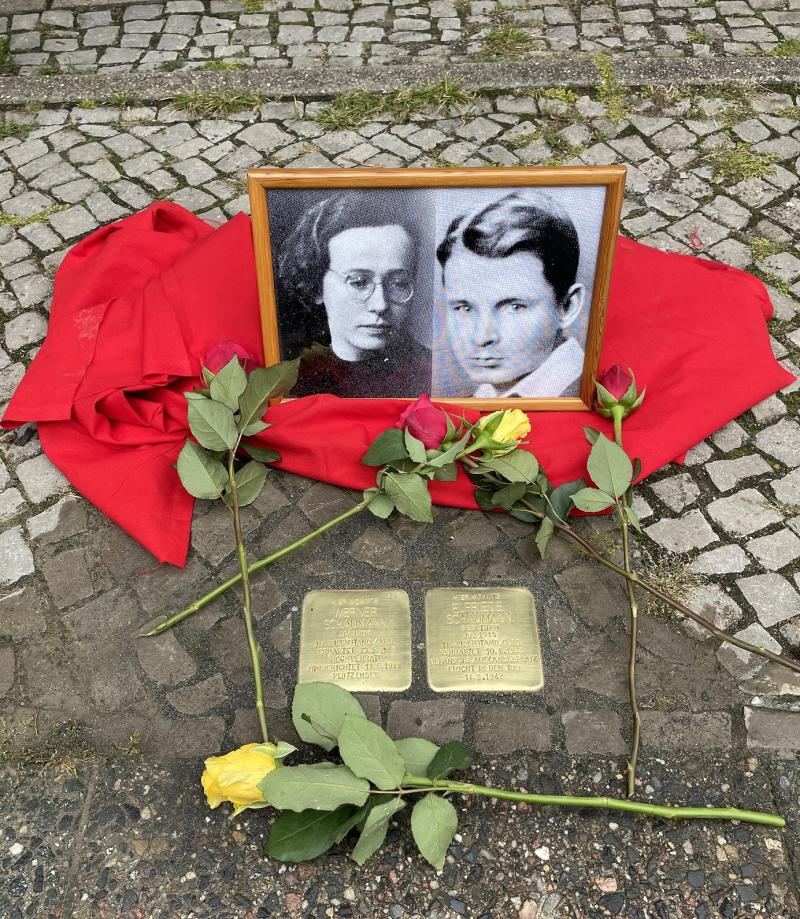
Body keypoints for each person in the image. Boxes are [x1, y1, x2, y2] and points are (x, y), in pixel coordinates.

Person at [274, 189, 432, 398]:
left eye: (398, 283)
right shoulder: (290, 381)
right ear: (316, 286)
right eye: (359, 282)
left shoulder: (434, 375)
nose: (380, 304)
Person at [436, 191, 587, 399]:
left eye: (514, 307)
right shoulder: (478, 399)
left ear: (568, 306)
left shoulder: (584, 397)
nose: (482, 338)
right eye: (465, 308)